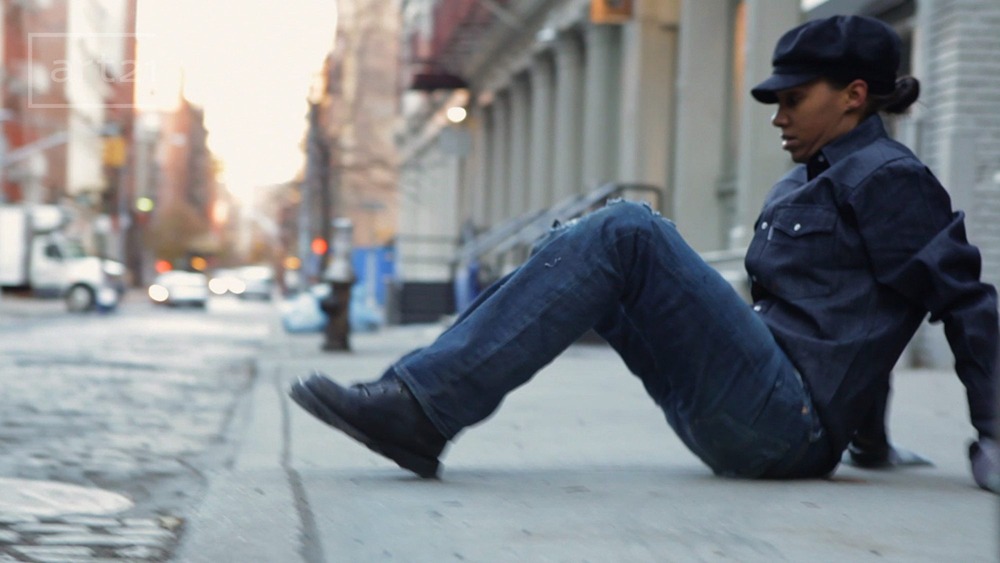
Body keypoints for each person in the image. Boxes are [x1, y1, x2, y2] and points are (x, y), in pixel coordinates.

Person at [290, 15, 1000, 492]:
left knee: (628, 229)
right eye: (773, 101)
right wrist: (870, 443)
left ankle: (420, 409)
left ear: (853, 96)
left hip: (786, 426)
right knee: (578, 247)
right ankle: (420, 400)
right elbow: (856, 313)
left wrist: (993, 435)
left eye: (793, 98)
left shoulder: (893, 180)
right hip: (760, 413)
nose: (778, 115)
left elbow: (962, 302)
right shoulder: (803, 183)